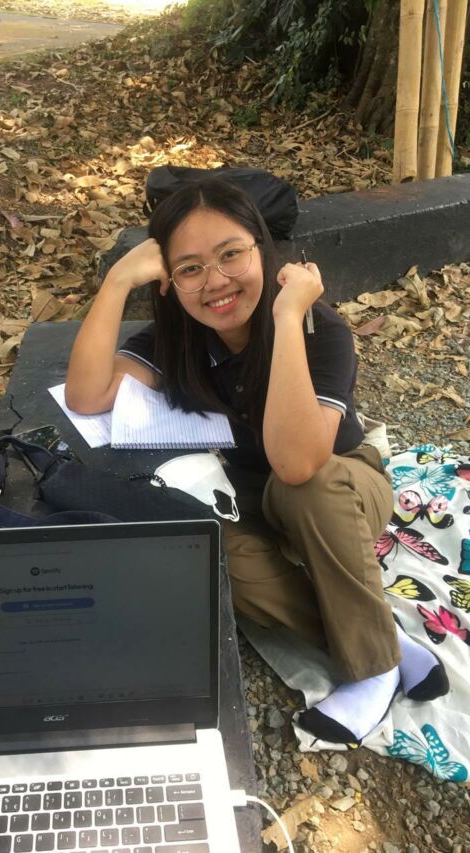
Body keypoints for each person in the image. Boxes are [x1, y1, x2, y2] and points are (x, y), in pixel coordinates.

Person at [65, 178, 448, 745]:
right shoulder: (180, 338)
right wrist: (119, 279)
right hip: (247, 493)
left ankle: (372, 671)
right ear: (168, 280)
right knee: (210, 551)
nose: (215, 282)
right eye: (189, 268)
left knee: (305, 488)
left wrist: (288, 318)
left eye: (231, 255)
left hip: (340, 491)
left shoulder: (319, 329)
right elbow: (87, 396)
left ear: (262, 249)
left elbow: (297, 465)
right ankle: (384, 641)